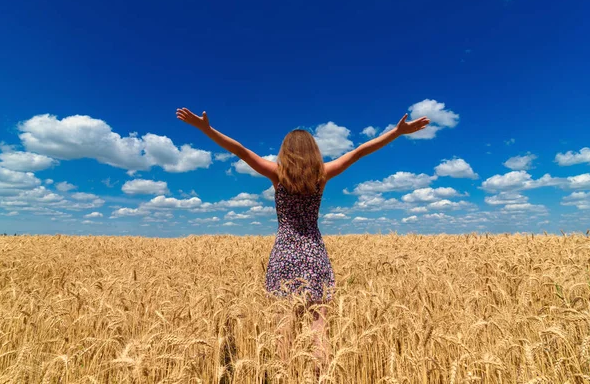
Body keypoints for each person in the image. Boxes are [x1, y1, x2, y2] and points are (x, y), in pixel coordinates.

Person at [176, 107, 429, 373]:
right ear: (313, 151)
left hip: (284, 254)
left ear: (286, 151)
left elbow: (240, 151)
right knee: (319, 328)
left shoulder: (277, 174)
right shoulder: (323, 174)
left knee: (282, 328)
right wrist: (397, 132)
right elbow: (359, 152)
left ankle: (285, 376)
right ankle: (323, 378)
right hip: (314, 254)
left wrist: (206, 130)